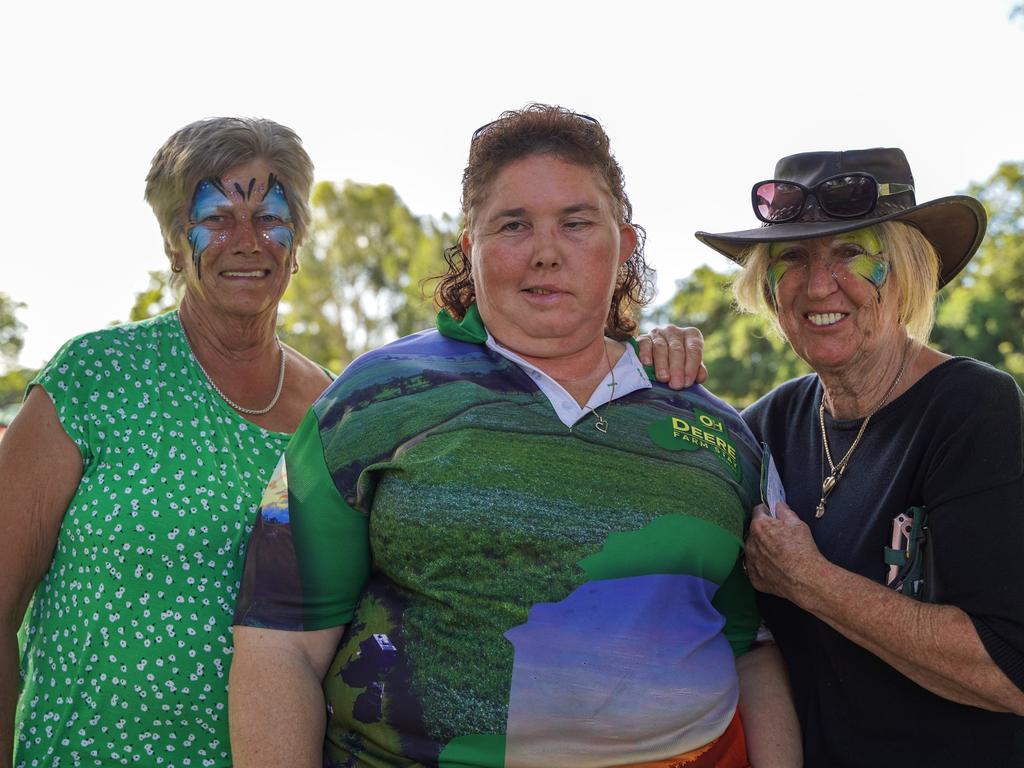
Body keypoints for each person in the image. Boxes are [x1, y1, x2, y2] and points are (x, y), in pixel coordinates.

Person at [229, 104, 800, 768]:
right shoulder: (370, 402)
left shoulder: (717, 432)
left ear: (625, 244)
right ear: (469, 245)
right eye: (513, 224)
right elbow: (281, 644)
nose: (546, 251)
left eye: (577, 223)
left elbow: (752, 650)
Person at [642, 147, 1024, 766]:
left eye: (852, 253)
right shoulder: (761, 428)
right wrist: (643, 379)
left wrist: (809, 581)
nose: (818, 285)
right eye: (791, 258)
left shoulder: (974, 409)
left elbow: (1011, 672)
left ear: (905, 272)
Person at [0, 117, 332, 767]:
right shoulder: (94, 377)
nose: (247, 241)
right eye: (215, 218)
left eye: (270, 217)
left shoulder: (332, 408)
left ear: (297, 241)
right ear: (174, 244)